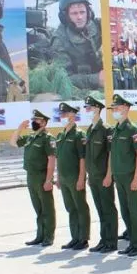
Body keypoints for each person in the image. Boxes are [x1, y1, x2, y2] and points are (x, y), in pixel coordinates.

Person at [107, 94, 137, 256]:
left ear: (125, 108)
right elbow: (112, 154)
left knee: (134, 210)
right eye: (113, 109)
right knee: (125, 211)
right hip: (119, 176)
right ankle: (132, 241)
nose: (114, 111)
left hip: (130, 176)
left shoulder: (132, 129)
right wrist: (110, 174)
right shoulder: (115, 130)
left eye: (117, 108)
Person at [11, 109, 57, 247]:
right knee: (38, 208)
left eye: (37, 120)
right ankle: (40, 235)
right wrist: (20, 128)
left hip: (42, 175)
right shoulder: (31, 137)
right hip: (31, 176)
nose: (34, 122)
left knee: (47, 208)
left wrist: (48, 180)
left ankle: (48, 236)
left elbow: (51, 160)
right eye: (34, 120)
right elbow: (13, 142)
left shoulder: (48, 138)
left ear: (44, 123)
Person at [83, 93, 118, 253]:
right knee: (100, 210)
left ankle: (111, 241)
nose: (87, 110)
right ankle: (104, 239)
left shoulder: (106, 129)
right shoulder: (90, 129)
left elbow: (111, 154)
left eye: (89, 107)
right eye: (86, 108)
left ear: (97, 109)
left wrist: (109, 175)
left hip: (104, 176)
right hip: (94, 177)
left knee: (108, 208)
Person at [51, 0, 103, 94]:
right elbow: (64, 79)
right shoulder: (59, 40)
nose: (79, 17)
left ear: (89, 13)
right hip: (81, 91)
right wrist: (96, 79)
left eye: (82, 12)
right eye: (74, 13)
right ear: (65, 17)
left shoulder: (99, 25)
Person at [54, 102, 89, 250]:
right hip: (64, 178)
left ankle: (83, 238)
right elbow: (58, 158)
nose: (62, 116)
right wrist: (58, 177)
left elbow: (82, 158)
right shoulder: (60, 135)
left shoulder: (79, 135)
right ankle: (75, 237)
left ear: (73, 116)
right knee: (71, 208)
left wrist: (81, 178)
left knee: (80, 207)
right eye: (61, 114)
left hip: (75, 177)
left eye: (65, 114)